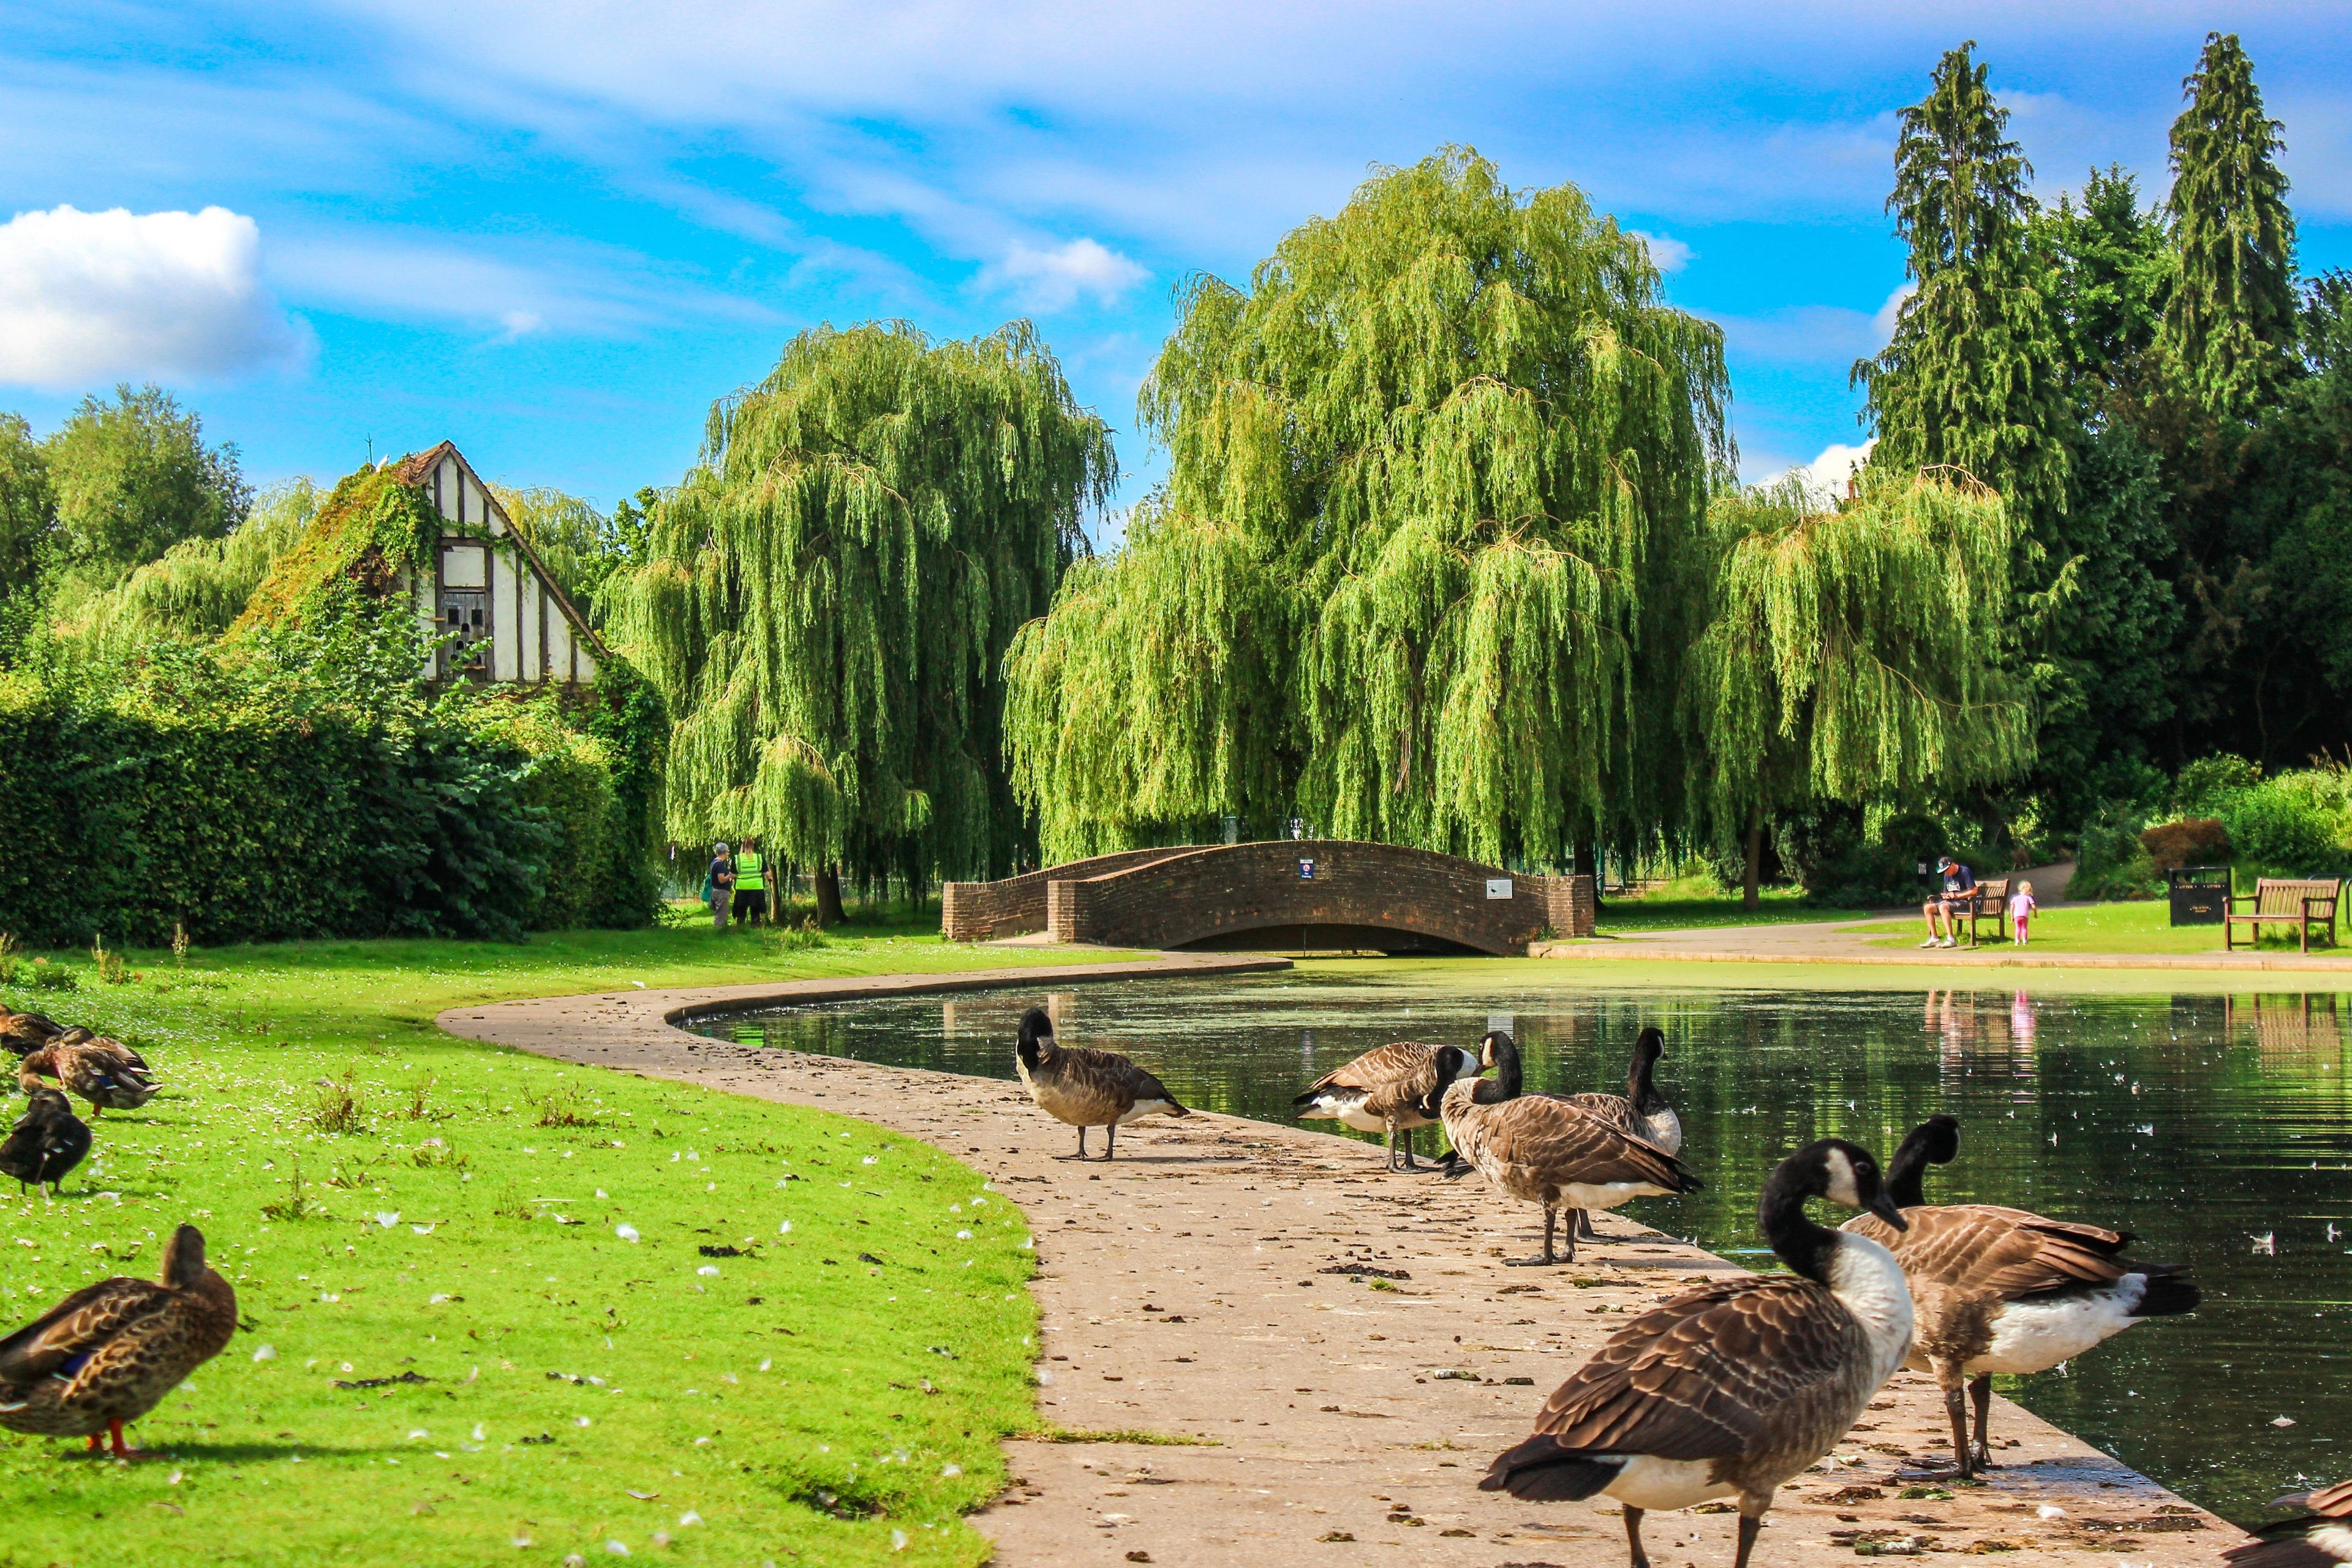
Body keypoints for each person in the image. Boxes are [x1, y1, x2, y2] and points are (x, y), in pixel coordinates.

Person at [1918, 854, 1976, 949]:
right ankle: (1934, 938)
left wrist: (1957, 895)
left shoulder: (1965, 872)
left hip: (1965, 903)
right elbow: (1947, 891)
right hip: (1950, 903)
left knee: (1943, 907)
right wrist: (1946, 895)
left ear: (1953, 865)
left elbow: (1974, 891)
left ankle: (1951, 939)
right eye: (1944, 871)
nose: (1946, 873)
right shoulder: (1947, 875)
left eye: (1947, 870)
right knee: (1928, 908)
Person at [733, 835, 767, 927]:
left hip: (742, 888)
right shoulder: (759, 858)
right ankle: (755, 925)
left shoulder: (737, 859)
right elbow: (766, 873)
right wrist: (770, 879)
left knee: (741, 909)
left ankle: (741, 927)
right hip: (756, 888)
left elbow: (733, 874)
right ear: (753, 847)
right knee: (755, 909)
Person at [705, 841, 734, 932]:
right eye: (728, 852)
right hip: (721, 892)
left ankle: (719, 930)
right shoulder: (719, 864)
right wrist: (730, 876)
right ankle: (718, 931)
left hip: (716, 890)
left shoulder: (714, 862)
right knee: (721, 914)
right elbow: (721, 880)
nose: (728, 854)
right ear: (725, 852)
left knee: (720, 913)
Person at [2009, 879, 2037, 946]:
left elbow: (2012, 907)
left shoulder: (2015, 897)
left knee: (2018, 928)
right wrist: (2035, 914)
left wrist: (2012, 916)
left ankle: (2017, 941)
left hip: (2017, 915)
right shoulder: (2028, 897)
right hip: (2025, 915)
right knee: (2024, 928)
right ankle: (2025, 940)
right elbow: (2034, 907)